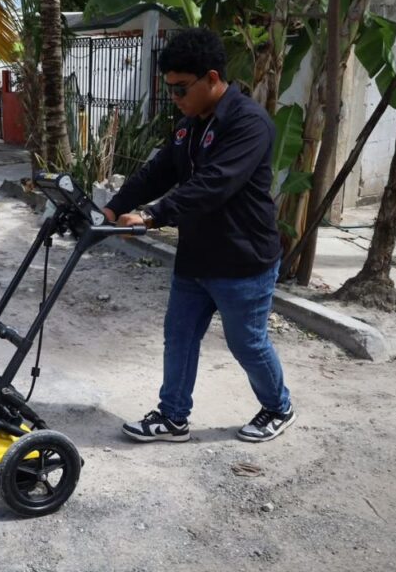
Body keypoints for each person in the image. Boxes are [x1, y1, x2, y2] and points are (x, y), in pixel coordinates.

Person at [104, 28, 295, 444]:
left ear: (212, 78)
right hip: (197, 256)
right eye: (169, 90)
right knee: (180, 335)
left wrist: (153, 216)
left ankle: (278, 406)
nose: (175, 99)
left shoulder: (249, 124)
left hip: (242, 260)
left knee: (247, 344)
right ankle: (173, 416)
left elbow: (213, 184)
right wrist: (114, 207)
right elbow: (159, 171)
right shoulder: (190, 124)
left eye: (181, 89)